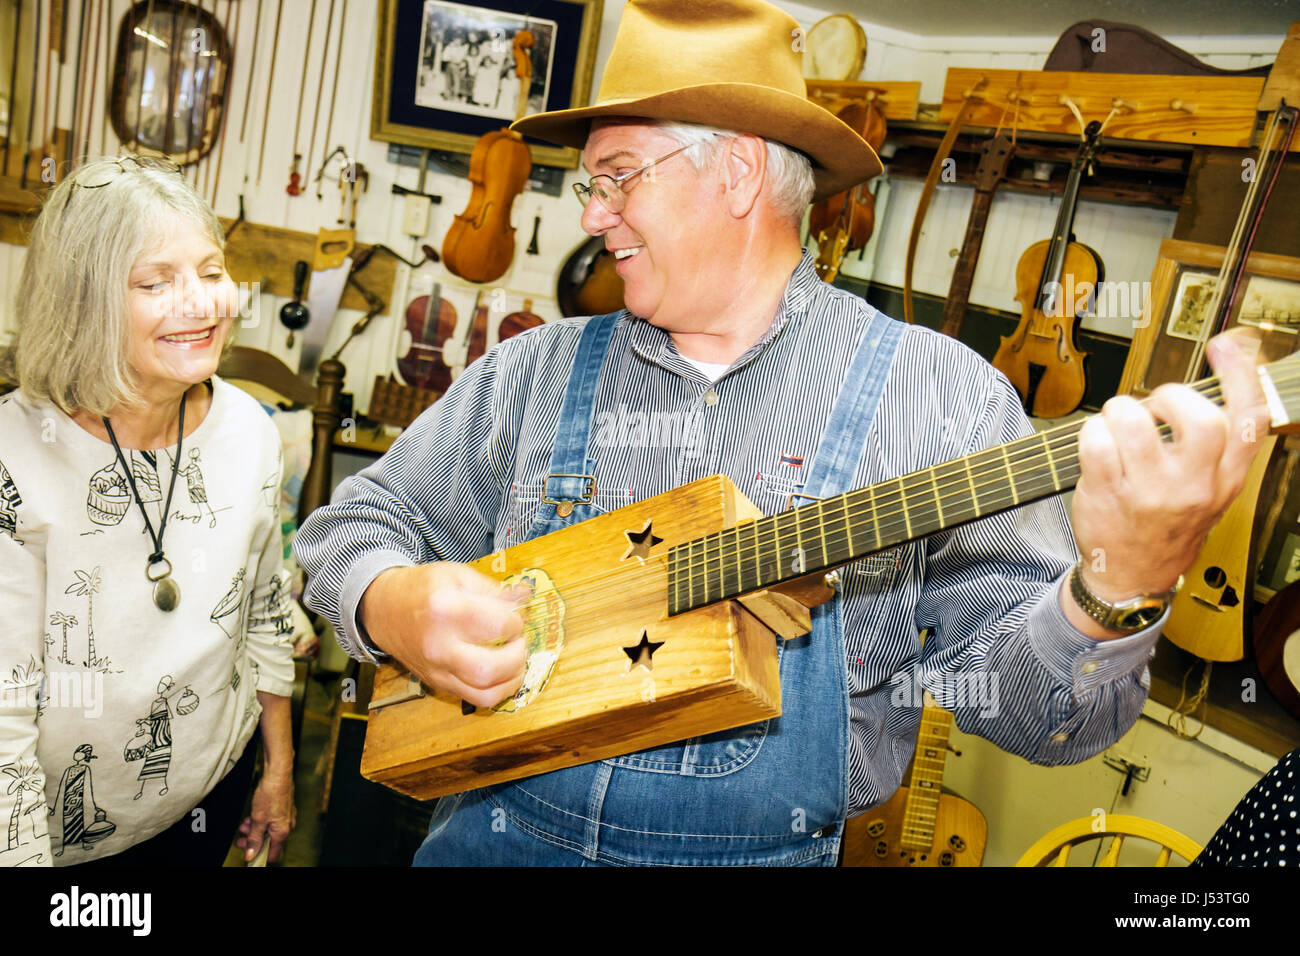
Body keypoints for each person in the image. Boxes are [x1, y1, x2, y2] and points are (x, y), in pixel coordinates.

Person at [294, 0, 1273, 866]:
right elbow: (349, 527)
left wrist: (1118, 587)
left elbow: (1042, 716)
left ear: (739, 173)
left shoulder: (945, 403)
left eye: (620, 175)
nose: (591, 214)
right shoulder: (533, 368)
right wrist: (386, 599)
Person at [0, 156, 297, 866]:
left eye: (212, 270)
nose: (201, 303)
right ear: (83, 302)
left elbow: (263, 612)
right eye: (155, 283)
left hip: (204, 801)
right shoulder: (15, 455)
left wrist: (277, 770)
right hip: (56, 841)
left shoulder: (252, 431)